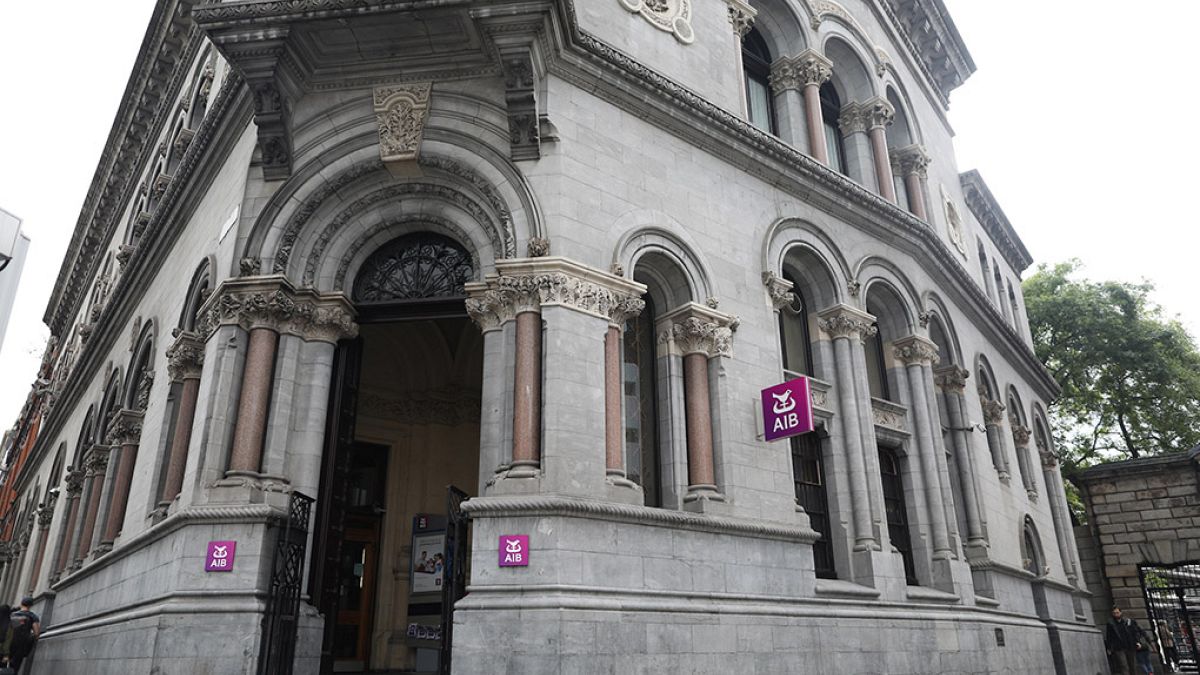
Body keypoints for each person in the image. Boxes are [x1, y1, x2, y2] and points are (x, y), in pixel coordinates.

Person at [1105, 606, 1146, 675]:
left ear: (1121, 613)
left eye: (1117, 612)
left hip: (1130, 646)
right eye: (1114, 613)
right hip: (1119, 647)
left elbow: (1134, 633)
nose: (1116, 614)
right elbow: (1109, 636)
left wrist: (1138, 642)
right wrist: (1109, 647)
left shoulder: (1128, 621)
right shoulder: (1110, 624)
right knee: (1124, 666)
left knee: (1132, 665)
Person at [8, 597, 40, 674]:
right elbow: (36, 633)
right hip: (21, 646)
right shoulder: (32, 616)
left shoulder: (12, 615)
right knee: (15, 667)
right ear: (31, 605)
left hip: (8, 644)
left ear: (21, 604)